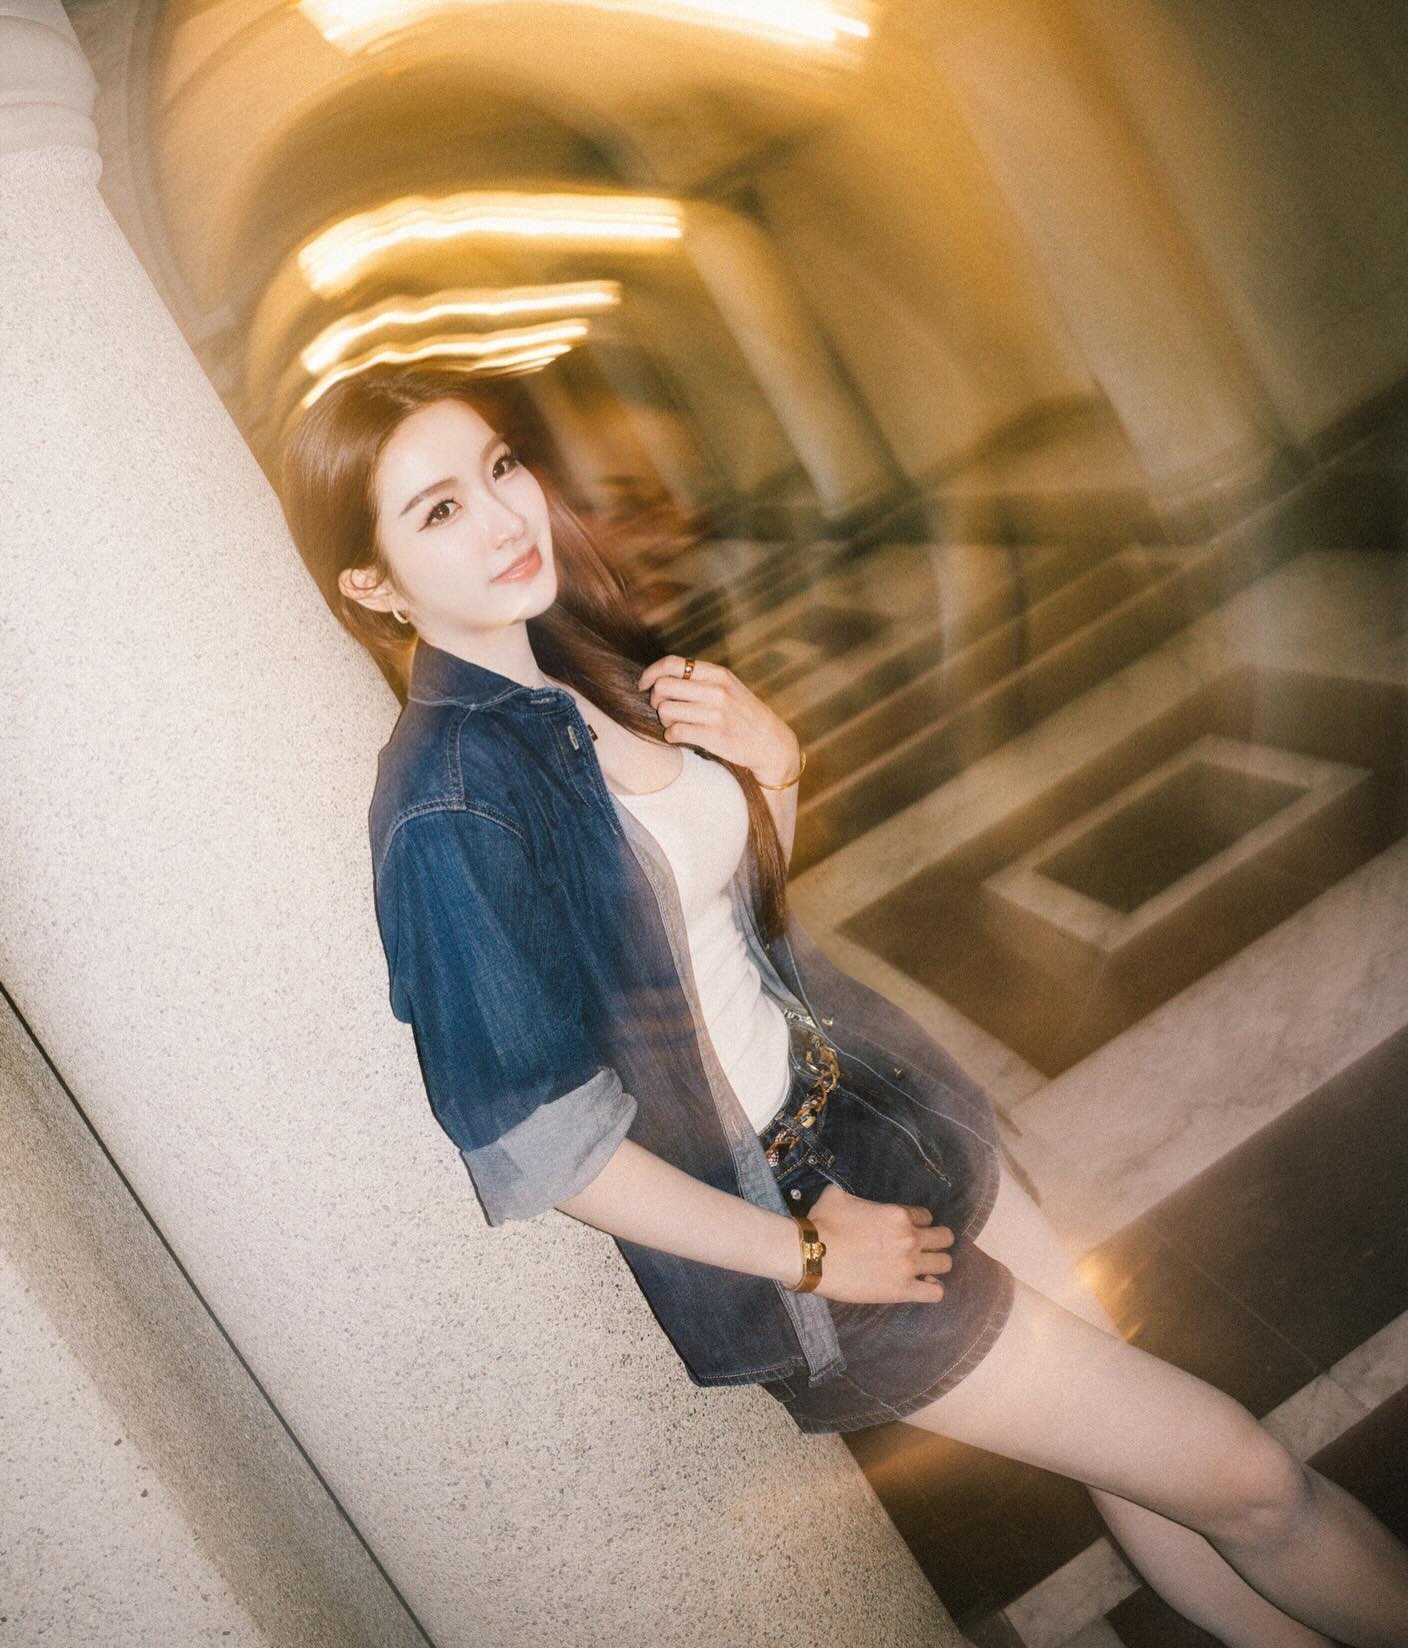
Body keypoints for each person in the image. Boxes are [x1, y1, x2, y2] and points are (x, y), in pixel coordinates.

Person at [279, 364, 1408, 1647]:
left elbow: (732, 932)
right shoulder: (446, 806)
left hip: (875, 1106)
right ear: (371, 584)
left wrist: (776, 768)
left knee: (1154, 1469)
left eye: (498, 469)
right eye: (437, 511)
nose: (502, 518)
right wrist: (808, 1256)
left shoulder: (568, 666)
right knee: (1250, 1476)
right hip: (806, 1221)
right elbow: (541, 1143)